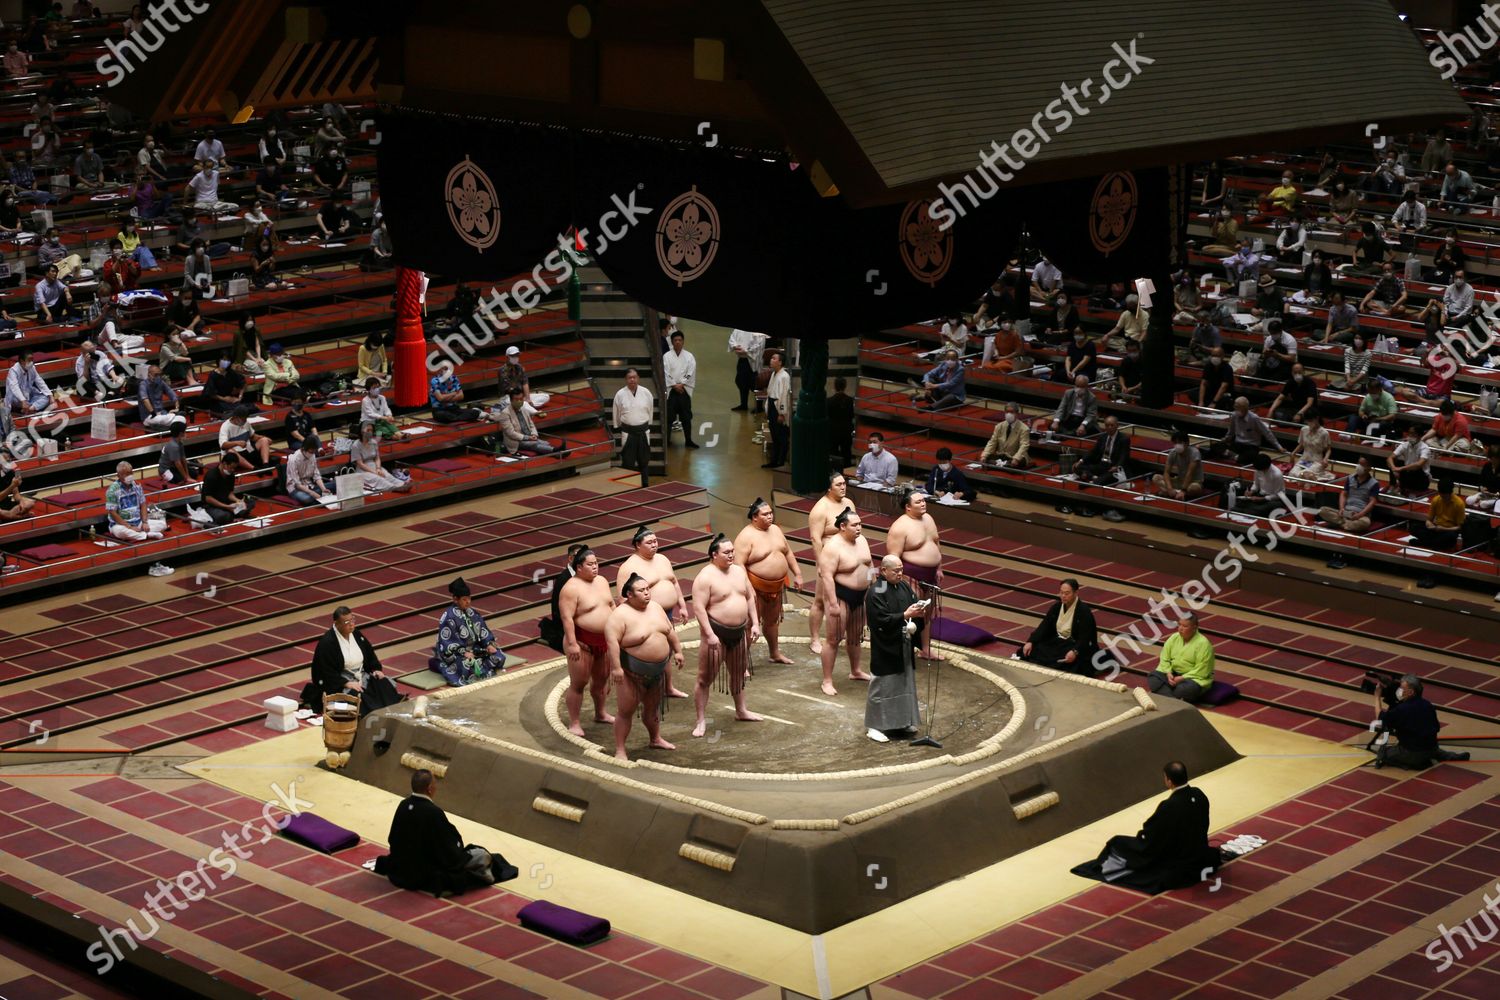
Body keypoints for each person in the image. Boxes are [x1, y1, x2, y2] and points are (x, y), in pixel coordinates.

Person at [1074, 761, 1217, 893]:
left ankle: (1107, 867)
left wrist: (1143, 836)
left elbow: (1153, 834)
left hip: (1178, 857)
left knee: (1117, 842)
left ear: (1169, 781)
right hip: (1198, 850)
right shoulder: (1199, 794)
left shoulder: (1169, 806)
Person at [382, 770, 511, 896]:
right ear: (430, 789)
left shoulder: (403, 805)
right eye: (435, 784)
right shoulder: (433, 812)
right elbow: (449, 851)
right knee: (481, 855)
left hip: (401, 867)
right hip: (423, 871)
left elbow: (392, 838)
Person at [690, 534, 762, 738]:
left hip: (739, 632)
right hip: (716, 634)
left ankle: (741, 711)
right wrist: (710, 634)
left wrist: (755, 623)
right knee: (705, 679)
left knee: (738, 674)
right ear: (714, 555)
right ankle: (701, 720)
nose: (731, 555)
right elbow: (699, 609)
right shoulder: (705, 577)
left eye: (732, 551)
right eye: (726, 552)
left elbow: (749, 598)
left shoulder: (739, 571)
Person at [607, 573, 685, 760]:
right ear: (629, 595)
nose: (647, 593)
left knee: (652, 709)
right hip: (630, 673)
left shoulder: (656, 608)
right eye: (641, 591)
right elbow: (612, 644)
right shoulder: (619, 616)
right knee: (626, 711)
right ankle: (620, 749)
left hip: (657, 671)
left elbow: (670, 631)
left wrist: (678, 651)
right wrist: (616, 668)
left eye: (647, 589)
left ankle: (655, 739)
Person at [615, 525, 692, 697]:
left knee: (667, 650)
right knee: (649, 650)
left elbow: (674, 582)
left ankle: (668, 687)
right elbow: (622, 598)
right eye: (649, 542)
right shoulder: (628, 567)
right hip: (645, 616)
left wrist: (683, 605)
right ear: (637, 545)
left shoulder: (663, 559)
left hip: (668, 612)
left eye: (656, 541)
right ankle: (641, 690)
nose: (654, 545)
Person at [555, 546, 618, 734]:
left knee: (601, 679)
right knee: (579, 683)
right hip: (582, 641)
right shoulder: (570, 588)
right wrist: (573, 644)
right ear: (579, 567)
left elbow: (611, 604)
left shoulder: (602, 581)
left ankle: (601, 713)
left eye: (596, 563)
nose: (595, 567)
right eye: (590, 564)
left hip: (604, 639)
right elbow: (566, 618)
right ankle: (574, 722)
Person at [732, 498, 802, 667]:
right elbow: (738, 564)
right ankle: (740, 662)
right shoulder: (745, 536)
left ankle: (774, 653)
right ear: (754, 517)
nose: (770, 516)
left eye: (771, 513)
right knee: (748, 625)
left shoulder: (776, 530)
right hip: (754, 587)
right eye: (765, 514)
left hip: (776, 587)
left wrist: (798, 573)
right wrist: (748, 589)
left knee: (772, 623)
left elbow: (788, 552)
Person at [864, 555, 926, 742]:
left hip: (903, 641)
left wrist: (915, 615)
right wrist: (906, 615)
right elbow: (879, 619)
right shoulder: (879, 589)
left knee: (904, 683)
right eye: (895, 570)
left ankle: (901, 721)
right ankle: (874, 726)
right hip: (886, 645)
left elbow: (912, 601)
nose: (900, 574)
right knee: (882, 685)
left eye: (901, 570)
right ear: (883, 571)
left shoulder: (903, 585)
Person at [818, 509, 875, 695]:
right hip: (840, 596)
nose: (859, 528)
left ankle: (855, 670)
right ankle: (827, 681)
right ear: (842, 526)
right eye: (854, 525)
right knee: (833, 639)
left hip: (861, 597)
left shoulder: (863, 540)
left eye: (860, 524)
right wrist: (833, 604)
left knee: (855, 636)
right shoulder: (832, 547)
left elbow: (870, 565)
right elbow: (826, 576)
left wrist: (875, 588)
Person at [886, 487, 945, 659]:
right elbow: (893, 556)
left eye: (923, 500)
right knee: (908, 612)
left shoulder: (928, 519)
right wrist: (895, 578)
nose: (923, 503)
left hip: (931, 575)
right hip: (910, 575)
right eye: (918, 502)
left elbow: (936, 542)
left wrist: (939, 567)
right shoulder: (900, 527)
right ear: (908, 507)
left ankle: (925, 649)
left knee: (927, 612)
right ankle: (900, 650)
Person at [308, 606, 400, 715]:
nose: (352, 624)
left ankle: (392, 709)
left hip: (361, 674)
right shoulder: (327, 643)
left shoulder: (356, 634)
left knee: (383, 684)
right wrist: (346, 683)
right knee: (359, 697)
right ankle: (373, 715)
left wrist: (376, 669)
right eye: (347, 622)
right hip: (341, 680)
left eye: (353, 620)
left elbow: (369, 653)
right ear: (337, 623)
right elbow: (325, 671)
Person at [1372, 675, 1467, 769]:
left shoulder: (1402, 709)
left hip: (1413, 753)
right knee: (1430, 748)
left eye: (1401, 688)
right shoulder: (1427, 704)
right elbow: (1436, 727)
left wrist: (1377, 696)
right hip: (1431, 747)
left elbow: (1380, 720)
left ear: (1411, 692)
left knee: (1385, 754)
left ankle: (1416, 763)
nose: (1399, 690)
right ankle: (1448, 756)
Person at [808, 475, 855, 656]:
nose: (843, 487)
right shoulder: (820, 509)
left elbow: (855, 526)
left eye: (844, 483)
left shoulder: (849, 503)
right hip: (828, 558)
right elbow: (815, 538)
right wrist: (821, 563)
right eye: (839, 484)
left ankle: (844, 633)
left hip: (847, 556)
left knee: (847, 596)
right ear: (829, 488)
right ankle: (814, 638)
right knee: (821, 600)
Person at [433, 578, 505, 685]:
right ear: (455, 599)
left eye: (469, 599)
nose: (468, 602)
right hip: (455, 653)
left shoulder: (472, 613)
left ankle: (484, 671)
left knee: (498, 655)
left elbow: (482, 631)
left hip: (475, 648)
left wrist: (488, 644)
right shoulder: (449, 617)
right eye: (464, 599)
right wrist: (463, 652)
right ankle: (478, 673)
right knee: (466, 664)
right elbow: (448, 643)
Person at [1147, 613, 1215, 703]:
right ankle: (1173, 701)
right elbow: (1164, 658)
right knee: (1153, 677)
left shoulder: (1203, 644)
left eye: (1185, 626)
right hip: (1172, 674)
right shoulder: (1174, 638)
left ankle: (1166, 696)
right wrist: (1168, 672)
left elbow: (1202, 669)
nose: (1180, 628)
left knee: (1185, 689)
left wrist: (1183, 677)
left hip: (1192, 678)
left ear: (1194, 628)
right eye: (1179, 625)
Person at [539, 544, 587, 651]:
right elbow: (560, 613)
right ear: (571, 558)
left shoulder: (584, 575)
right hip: (566, 624)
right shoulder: (564, 579)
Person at [1318, 455, 1381, 536]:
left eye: (1362, 465)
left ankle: (1340, 523)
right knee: (1322, 510)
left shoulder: (1374, 483)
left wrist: (1360, 514)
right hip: (1346, 512)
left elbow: (1372, 502)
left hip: (1360, 515)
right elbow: (1343, 494)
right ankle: (1346, 525)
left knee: (1365, 523)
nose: (1359, 466)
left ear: (1369, 468)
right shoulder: (1350, 478)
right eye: (1358, 463)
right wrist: (1341, 509)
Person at [105, 461, 165, 542]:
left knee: (162, 524)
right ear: (118, 475)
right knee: (120, 532)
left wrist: (144, 522)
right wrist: (129, 527)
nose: (129, 476)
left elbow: (143, 504)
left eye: (130, 473)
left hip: (138, 522)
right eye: (125, 474)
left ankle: (139, 534)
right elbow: (112, 512)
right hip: (121, 525)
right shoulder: (112, 490)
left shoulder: (137, 485)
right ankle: (147, 535)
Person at [612, 368, 653, 481]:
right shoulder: (620, 394)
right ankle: (628, 489)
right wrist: (617, 425)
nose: (632, 380)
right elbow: (617, 412)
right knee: (628, 463)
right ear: (626, 379)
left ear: (638, 378)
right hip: (628, 433)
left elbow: (650, 410)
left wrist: (648, 423)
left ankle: (645, 486)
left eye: (634, 377)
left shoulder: (646, 392)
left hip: (643, 432)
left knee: (644, 462)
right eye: (630, 377)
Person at [1212, 397, 1279, 465]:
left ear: (1245, 408)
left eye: (1238, 407)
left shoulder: (1254, 418)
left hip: (1251, 446)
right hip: (1238, 444)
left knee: (1251, 456)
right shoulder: (1234, 415)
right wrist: (1226, 439)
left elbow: (1267, 432)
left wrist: (1278, 447)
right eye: (1235, 406)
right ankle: (1236, 457)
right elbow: (1231, 432)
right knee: (1215, 446)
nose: (1235, 408)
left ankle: (1232, 456)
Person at [351, 420, 412, 493]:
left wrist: (378, 469)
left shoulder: (373, 442)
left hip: (374, 466)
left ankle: (401, 484)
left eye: (371, 430)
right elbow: (360, 464)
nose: (370, 432)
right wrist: (374, 472)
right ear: (361, 431)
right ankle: (395, 488)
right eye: (368, 430)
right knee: (378, 478)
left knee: (387, 475)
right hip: (363, 470)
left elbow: (377, 458)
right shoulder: (356, 445)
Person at [661, 330, 698, 448]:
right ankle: (667, 441)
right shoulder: (666, 356)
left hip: (683, 391)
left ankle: (688, 440)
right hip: (672, 391)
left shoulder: (689, 356)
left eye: (680, 340)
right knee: (669, 418)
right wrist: (674, 385)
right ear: (672, 342)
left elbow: (690, 372)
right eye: (675, 340)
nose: (677, 342)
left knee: (686, 417)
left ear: (683, 342)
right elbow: (665, 372)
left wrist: (682, 384)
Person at [200, 452, 257, 526]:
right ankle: (234, 514)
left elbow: (230, 493)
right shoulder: (211, 475)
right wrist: (227, 507)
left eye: (234, 468)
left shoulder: (230, 475)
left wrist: (238, 500)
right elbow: (208, 498)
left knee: (251, 502)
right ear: (224, 464)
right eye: (231, 467)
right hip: (211, 506)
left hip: (227, 502)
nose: (233, 470)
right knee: (222, 516)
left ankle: (233, 513)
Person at [1074, 415, 1131, 490]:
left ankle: (1092, 482)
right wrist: (1081, 461)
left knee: (1111, 476)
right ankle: (1094, 477)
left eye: (1112, 425)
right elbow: (1093, 451)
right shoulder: (1102, 437)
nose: (1109, 427)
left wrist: (1117, 466)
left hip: (1113, 467)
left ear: (1117, 425)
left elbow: (1124, 456)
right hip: (1102, 465)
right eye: (1107, 425)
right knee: (1077, 467)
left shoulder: (1124, 439)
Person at [495, 387, 555, 455]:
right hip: (516, 441)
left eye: (521, 399)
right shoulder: (505, 413)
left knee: (544, 443)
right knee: (535, 444)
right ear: (511, 400)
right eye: (516, 399)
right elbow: (511, 433)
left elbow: (531, 424)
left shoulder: (524, 408)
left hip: (529, 437)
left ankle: (555, 451)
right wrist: (528, 438)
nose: (519, 401)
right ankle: (555, 450)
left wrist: (534, 434)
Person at [1412, 479, 1464, 553]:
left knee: (1451, 537)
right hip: (1436, 528)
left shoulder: (1459, 504)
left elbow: (1459, 527)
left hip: (1449, 530)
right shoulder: (1436, 500)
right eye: (1441, 495)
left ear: (1450, 493)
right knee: (1414, 527)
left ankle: (1425, 543)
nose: (1443, 497)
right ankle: (1434, 544)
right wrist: (1429, 524)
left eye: (1445, 496)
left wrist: (1444, 529)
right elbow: (1429, 519)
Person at [1153, 430, 1203, 500]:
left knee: (1194, 488)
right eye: (1175, 443)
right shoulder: (1173, 453)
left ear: (1187, 443)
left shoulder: (1194, 453)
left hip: (1192, 482)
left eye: (1180, 442)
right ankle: (1174, 493)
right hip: (1179, 481)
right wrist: (1170, 488)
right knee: (1156, 477)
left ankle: (1177, 493)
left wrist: (1183, 490)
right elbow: (1166, 472)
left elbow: (1189, 473)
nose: (1177, 445)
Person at [728, 328, 768, 411]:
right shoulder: (738, 328)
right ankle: (743, 404)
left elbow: (760, 345)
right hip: (742, 360)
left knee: (755, 383)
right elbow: (732, 338)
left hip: (753, 361)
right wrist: (735, 346)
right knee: (740, 381)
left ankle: (759, 407)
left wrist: (746, 351)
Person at [219, 405, 271, 470]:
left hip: (248, 450)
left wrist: (263, 437)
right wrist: (237, 443)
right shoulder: (225, 427)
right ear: (235, 417)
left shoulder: (246, 423)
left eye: (245, 419)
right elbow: (223, 445)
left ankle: (266, 465)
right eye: (243, 419)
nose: (245, 421)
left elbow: (252, 436)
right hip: (235, 455)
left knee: (264, 440)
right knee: (230, 451)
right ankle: (254, 468)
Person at [285, 436, 333, 506]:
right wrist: (312, 493)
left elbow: (316, 476)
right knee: (307, 499)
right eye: (311, 451)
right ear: (303, 448)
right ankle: (319, 500)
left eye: (314, 451)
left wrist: (323, 489)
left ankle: (319, 499)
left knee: (334, 485)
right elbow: (297, 484)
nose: (312, 453)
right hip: (295, 489)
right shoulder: (293, 459)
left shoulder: (312, 455)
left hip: (310, 486)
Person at [764, 350, 791, 468]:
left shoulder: (784, 376)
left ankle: (780, 461)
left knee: (781, 436)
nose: (771, 360)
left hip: (778, 408)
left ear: (780, 362)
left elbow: (784, 396)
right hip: (772, 406)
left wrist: (782, 413)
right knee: (774, 435)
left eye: (774, 358)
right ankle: (774, 460)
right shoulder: (774, 374)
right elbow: (770, 393)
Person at [1388, 423, 1432, 497]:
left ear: (1420, 436)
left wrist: (1400, 468)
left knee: (1412, 469)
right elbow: (1390, 458)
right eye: (1409, 433)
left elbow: (1419, 464)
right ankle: (1393, 485)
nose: (1410, 435)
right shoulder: (1404, 445)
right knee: (1393, 463)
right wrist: (1394, 468)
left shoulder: (1425, 448)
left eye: (1413, 434)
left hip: (1421, 478)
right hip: (1407, 473)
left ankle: (1402, 487)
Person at [980, 403, 1029, 468]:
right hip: (1000, 455)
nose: (1009, 414)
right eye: (1007, 412)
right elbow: (992, 442)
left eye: (1011, 412)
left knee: (1020, 462)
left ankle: (999, 464)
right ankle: (1003, 465)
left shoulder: (1024, 428)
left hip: (1013, 457)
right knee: (984, 457)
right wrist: (984, 455)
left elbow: (1024, 445)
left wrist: (1016, 459)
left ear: (1017, 413)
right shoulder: (999, 426)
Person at [1287, 411, 1332, 481]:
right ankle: (1304, 478)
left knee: (1307, 474)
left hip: (1317, 461)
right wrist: (1293, 453)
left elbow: (1328, 449)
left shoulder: (1324, 433)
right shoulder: (1304, 429)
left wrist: (1325, 459)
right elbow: (1301, 445)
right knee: (1292, 473)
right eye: (1307, 421)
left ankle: (1306, 478)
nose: (1309, 423)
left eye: (1311, 421)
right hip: (1304, 459)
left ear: (1317, 418)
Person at [136, 364, 181, 430]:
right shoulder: (143, 384)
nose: (158, 377)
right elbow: (145, 400)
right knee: (158, 419)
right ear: (149, 374)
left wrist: (177, 408)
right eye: (156, 375)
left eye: (159, 374)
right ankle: (170, 422)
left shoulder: (160, 382)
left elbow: (170, 392)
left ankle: (167, 423)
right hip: (149, 416)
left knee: (181, 418)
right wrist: (153, 413)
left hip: (162, 413)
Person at [827, 376, 854, 468]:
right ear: (845, 386)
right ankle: (846, 470)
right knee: (846, 452)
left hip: (832, 430)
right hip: (846, 430)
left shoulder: (829, 401)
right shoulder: (850, 401)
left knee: (833, 451)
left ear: (835, 386)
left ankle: (833, 470)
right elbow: (852, 415)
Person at [158, 420, 194, 485]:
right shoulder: (173, 446)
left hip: (173, 467)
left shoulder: (180, 443)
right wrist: (186, 478)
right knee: (179, 480)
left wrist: (188, 475)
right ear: (181, 433)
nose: (186, 433)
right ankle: (164, 476)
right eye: (185, 431)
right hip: (165, 469)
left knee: (194, 473)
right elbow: (178, 463)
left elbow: (183, 459)